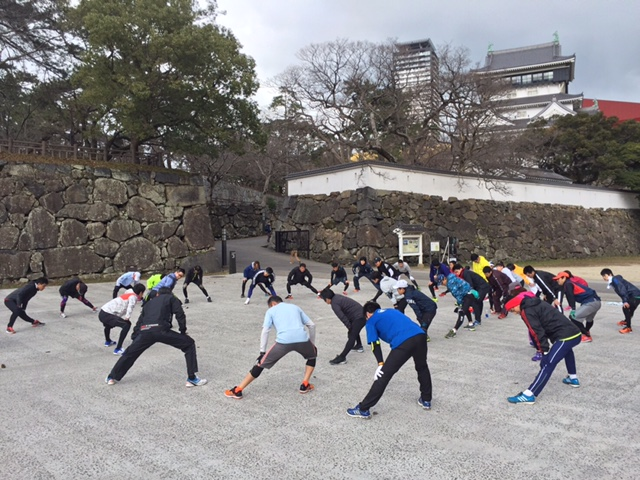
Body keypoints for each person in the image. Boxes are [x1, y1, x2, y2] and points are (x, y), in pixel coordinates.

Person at [105, 287, 207, 387]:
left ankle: (112, 377)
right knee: (189, 344)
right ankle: (191, 378)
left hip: (145, 331)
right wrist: (183, 331)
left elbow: (139, 322)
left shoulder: (148, 303)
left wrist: (135, 337)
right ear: (170, 293)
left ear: (158, 294)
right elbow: (180, 314)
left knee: (130, 354)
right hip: (161, 331)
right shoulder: (171, 298)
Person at [346, 302, 432, 419]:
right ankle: (426, 399)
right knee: (422, 367)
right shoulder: (392, 311)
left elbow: (375, 343)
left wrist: (380, 363)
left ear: (368, 314)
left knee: (383, 375)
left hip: (403, 342)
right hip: (420, 335)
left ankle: (363, 408)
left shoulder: (371, 321)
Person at [225, 296, 316, 399]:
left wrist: (262, 352)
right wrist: (312, 345)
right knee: (312, 356)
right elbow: (312, 325)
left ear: (272, 304)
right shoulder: (295, 307)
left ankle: (238, 390)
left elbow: (265, 331)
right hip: (302, 340)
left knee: (260, 364)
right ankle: (305, 384)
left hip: (283, 342)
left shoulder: (271, 311)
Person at [504, 291, 582, 404]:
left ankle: (529, 395)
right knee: (567, 351)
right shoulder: (535, 302)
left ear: (516, 304)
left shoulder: (526, 311)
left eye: (512, 310)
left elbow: (536, 332)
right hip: (574, 333)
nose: (515, 313)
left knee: (548, 363)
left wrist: (544, 351)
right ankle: (573, 378)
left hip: (566, 336)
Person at [319, 287, 365, 365]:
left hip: (360, 317)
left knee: (352, 335)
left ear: (327, 299)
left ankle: (342, 357)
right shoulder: (337, 296)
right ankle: (359, 345)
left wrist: (350, 328)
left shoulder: (334, 304)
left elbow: (342, 317)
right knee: (354, 329)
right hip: (360, 314)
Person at [553, 271, 601, 343]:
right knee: (589, 319)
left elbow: (570, 296)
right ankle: (586, 331)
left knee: (573, 317)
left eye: (558, 279)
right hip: (596, 302)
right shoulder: (570, 283)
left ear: (564, 278)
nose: (557, 281)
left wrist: (573, 309)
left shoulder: (568, 284)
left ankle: (586, 335)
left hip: (591, 302)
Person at [99, 284, 146, 355]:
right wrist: (127, 318)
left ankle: (108, 341)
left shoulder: (129, 292)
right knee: (126, 325)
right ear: (141, 292)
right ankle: (118, 349)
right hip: (108, 314)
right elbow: (130, 307)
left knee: (108, 325)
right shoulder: (133, 297)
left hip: (103, 312)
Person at [601, 268, 640, 334]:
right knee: (630, 308)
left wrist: (625, 301)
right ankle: (626, 321)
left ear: (609, 274)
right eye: (603, 276)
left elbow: (622, 290)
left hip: (635, 295)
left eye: (604, 276)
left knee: (626, 307)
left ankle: (628, 328)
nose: (604, 278)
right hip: (634, 295)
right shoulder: (614, 280)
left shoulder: (615, 280)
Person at [442, 273, 475, 338]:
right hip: (469, 292)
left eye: (442, 282)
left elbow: (457, 295)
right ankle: (471, 324)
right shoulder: (452, 279)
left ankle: (454, 330)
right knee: (465, 308)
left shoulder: (450, 284)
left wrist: (459, 304)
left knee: (461, 311)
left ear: (444, 279)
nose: (442, 284)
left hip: (467, 295)